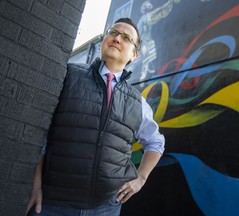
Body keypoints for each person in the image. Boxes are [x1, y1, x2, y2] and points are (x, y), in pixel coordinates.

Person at [26, 17, 165, 216]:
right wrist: (35, 185)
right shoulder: (69, 76)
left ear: (134, 54)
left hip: (106, 207)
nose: (117, 38)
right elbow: (40, 134)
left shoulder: (138, 102)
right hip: (53, 203)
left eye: (126, 37)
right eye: (113, 32)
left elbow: (156, 143)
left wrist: (140, 179)